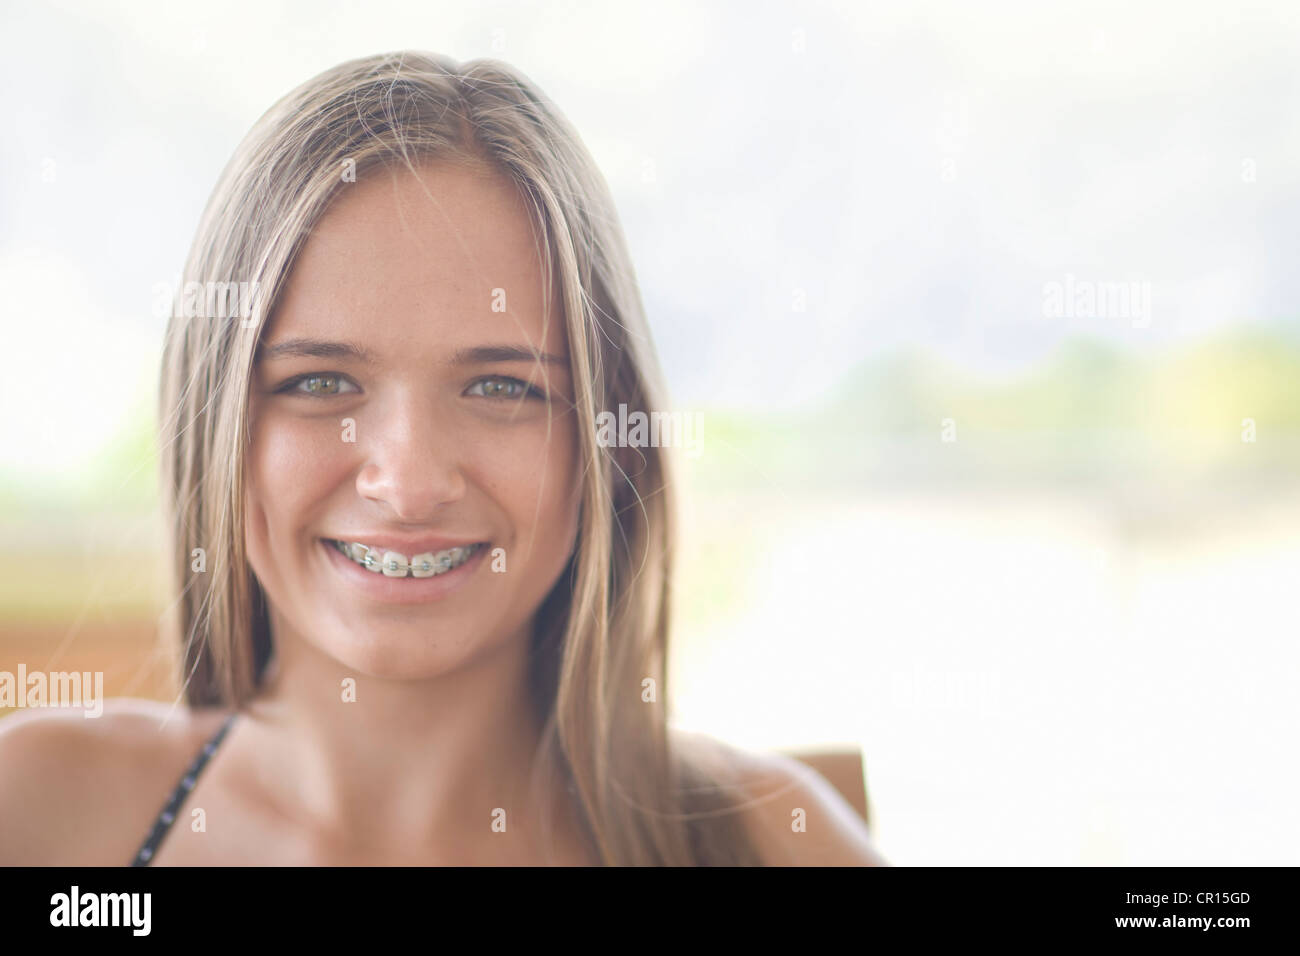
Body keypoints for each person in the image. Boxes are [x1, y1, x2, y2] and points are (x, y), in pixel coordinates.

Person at [0, 51, 886, 866]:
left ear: (602, 446)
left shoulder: (778, 843)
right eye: (319, 382)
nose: (410, 482)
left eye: (502, 388)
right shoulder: (40, 813)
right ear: (218, 428)